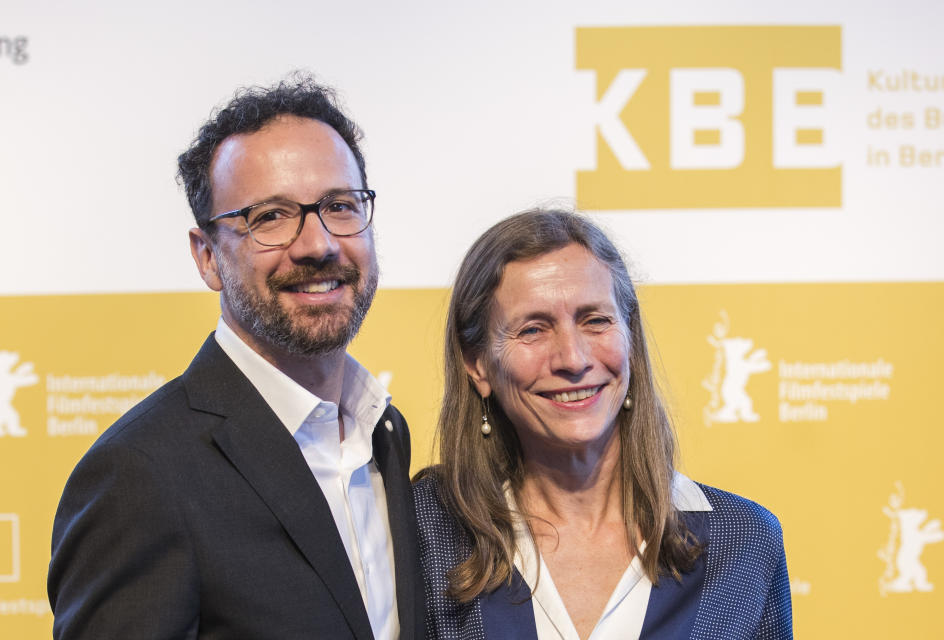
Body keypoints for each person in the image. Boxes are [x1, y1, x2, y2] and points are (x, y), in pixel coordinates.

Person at [48, 75, 423, 639]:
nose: (317, 244)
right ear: (207, 258)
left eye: (340, 206)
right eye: (270, 217)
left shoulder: (384, 435)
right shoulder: (141, 476)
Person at [413, 209, 792, 639]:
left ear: (630, 339)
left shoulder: (743, 539)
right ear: (477, 364)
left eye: (595, 321)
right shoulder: (423, 529)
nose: (573, 359)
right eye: (533, 330)